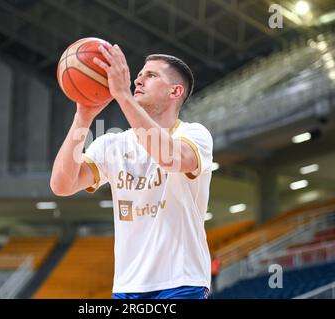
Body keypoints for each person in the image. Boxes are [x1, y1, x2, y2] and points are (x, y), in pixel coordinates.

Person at [50, 43, 213, 299]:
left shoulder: (194, 134)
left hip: (181, 280)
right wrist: (83, 116)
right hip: (127, 287)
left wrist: (123, 96)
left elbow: (170, 158)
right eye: (140, 74)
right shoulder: (112, 142)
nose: (139, 79)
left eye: (151, 75)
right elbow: (62, 185)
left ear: (175, 91)